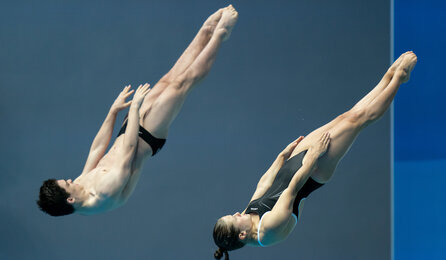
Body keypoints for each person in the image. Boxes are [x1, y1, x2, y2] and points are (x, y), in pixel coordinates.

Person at [37, 5, 239, 216]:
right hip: (147, 139)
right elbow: (128, 150)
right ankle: (220, 35)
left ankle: (206, 30)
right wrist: (134, 108)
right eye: (68, 184)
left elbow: (97, 149)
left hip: (129, 130)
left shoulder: (79, 187)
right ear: (70, 199)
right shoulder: (103, 193)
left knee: (167, 79)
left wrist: (112, 112)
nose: (71, 180)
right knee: (181, 84)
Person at [213, 51, 417, 259]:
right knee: (357, 122)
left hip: (294, 164)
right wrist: (311, 160)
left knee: (346, 116)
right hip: (312, 173)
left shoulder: (247, 216)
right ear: (242, 234)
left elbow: (263, 185)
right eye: (233, 217)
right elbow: (292, 190)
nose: (237, 213)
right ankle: (399, 77)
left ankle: (388, 76)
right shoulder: (268, 231)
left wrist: (281, 157)